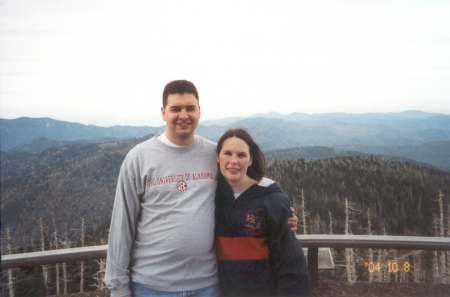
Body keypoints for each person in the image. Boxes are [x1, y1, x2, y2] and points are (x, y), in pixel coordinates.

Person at [104, 80, 298, 297]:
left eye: (190, 108)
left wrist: (279, 212)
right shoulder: (138, 158)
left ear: (199, 111)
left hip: (208, 285)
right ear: (163, 112)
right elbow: (122, 223)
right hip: (152, 286)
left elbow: (247, 184)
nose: (183, 115)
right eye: (175, 109)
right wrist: (118, 287)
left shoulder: (214, 153)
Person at [215, 128, 312, 296]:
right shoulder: (211, 197)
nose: (233, 161)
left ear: (251, 159)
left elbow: (290, 262)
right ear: (218, 157)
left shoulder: (271, 200)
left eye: (241, 155)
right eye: (227, 153)